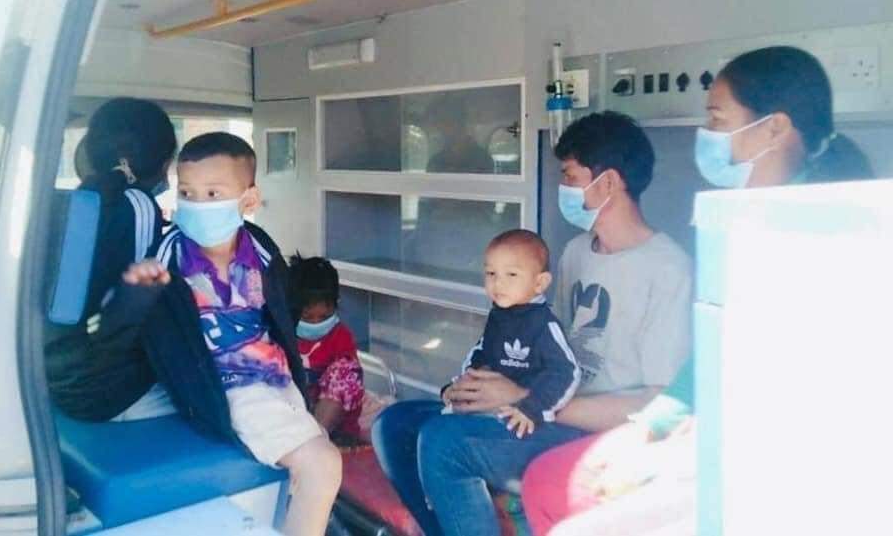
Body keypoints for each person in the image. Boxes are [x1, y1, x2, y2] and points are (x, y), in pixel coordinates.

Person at [521, 45, 873, 536]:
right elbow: (708, 365)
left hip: (782, 468)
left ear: (774, 127)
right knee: (548, 481)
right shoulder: (744, 225)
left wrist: (670, 452)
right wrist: (649, 430)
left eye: (717, 119)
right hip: (715, 443)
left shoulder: (826, 236)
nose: (705, 134)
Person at [373, 111, 692, 536]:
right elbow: (541, 344)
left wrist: (526, 398)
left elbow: (656, 403)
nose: (564, 189)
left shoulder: (667, 269)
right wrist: (480, 386)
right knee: (396, 424)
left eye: (570, 176)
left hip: (589, 430)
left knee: (446, 443)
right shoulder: (577, 252)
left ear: (609, 183)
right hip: (540, 407)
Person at [122, 132, 341, 536]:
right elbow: (143, 327)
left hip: (275, 379)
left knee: (315, 448)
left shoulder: (260, 249)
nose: (196, 205)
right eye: (186, 193)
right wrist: (135, 293)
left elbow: (280, 312)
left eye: (212, 194)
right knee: (323, 465)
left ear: (249, 201)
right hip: (226, 384)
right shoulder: (169, 256)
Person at [44, 97, 177, 422]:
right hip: (104, 390)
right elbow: (143, 298)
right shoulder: (137, 205)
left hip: (57, 376)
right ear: (161, 161)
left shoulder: (76, 202)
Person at [447, 229, 580, 439]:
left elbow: (566, 372)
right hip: (491, 409)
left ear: (539, 283)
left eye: (511, 274)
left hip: (525, 420)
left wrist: (532, 407)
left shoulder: (543, 324)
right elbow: (482, 351)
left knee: (444, 436)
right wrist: (466, 383)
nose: (498, 283)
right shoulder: (499, 315)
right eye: (491, 273)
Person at [290, 254, 365, 444]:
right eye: (307, 317)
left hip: (335, 428)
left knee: (346, 371)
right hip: (294, 419)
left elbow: (346, 381)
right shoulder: (284, 333)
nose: (316, 323)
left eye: (324, 317)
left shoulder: (340, 336)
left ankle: (315, 440)